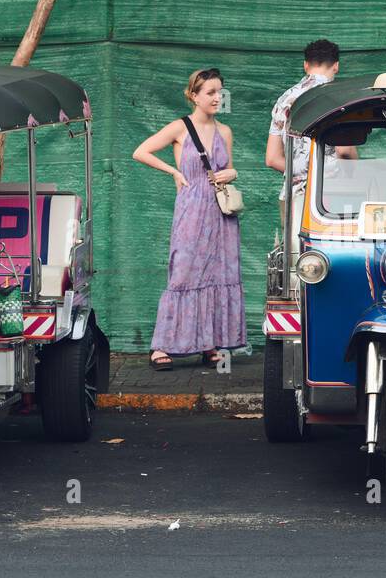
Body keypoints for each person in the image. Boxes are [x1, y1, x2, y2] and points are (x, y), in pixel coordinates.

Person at [133, 68, 246, 371]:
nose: (217, 97)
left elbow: (230, 167)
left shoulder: (225, 131)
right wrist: (173, 172)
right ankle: (161, 346)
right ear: (194, 95)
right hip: (192, 208)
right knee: (183, 273)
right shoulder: (180, 128)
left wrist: (231, 173)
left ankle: (210, 345)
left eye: (220, 92)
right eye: (210, 92)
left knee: (218, 274)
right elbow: (140, 152)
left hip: (222, 212)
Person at [266, 39, 355, 222]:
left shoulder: (285, 99)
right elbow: (344, 151)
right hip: (328, 197)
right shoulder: (339, 98)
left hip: (293, 195)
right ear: (336, 66)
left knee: (294, 250)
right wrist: (357, 170)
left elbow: (272, 158)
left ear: (305, 65)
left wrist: (302, 173)